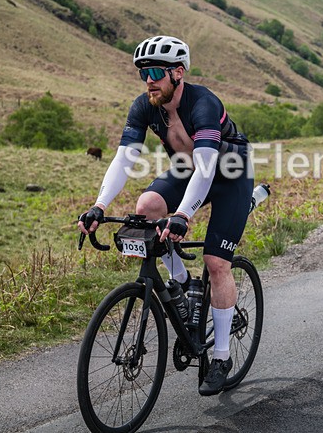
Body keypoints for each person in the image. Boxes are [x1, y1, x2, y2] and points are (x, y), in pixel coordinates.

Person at [77, 35, 254, 396]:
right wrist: (100, 206)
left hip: (229, 175)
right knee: (147, 209)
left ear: (178, 72)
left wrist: (184, 215)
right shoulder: (145, 106)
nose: (149, 80)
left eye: (156, 71)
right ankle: (183, 284)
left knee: (217, 263)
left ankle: (221, 357)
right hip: (189, 169)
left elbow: (206, 170)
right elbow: (123, 160)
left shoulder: (203, 104)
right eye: (144, 72)